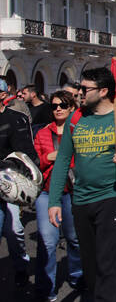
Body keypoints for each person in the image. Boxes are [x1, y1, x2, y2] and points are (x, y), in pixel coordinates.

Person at [48, 67, 116, 302]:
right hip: (81, 199)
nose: (79, 93)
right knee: (90, 264)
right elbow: (63, 159)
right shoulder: (76, 118)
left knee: (106, 261)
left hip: (112, 197)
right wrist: (54, 201)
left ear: (103, 91)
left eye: (85, 89)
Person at [33, 90, 83, 300]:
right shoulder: (43, 133)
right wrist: (47, 157)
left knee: (74, 239)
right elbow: (34, 162)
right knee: (48, 241)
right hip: (46, 192)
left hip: (72, 192)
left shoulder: (79, 131)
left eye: (63, 105)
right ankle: (47, 288)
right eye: (54, 106)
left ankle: (77, 276)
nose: (58, 109)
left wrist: (64, 158)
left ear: (72, 108)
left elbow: (84, 161)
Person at [0, 77, 36, 287]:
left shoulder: (14, 119)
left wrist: (25, 180)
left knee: (13, 230)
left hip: (10, 181)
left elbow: (25, 153)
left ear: (3, 95)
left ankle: (21, 264)